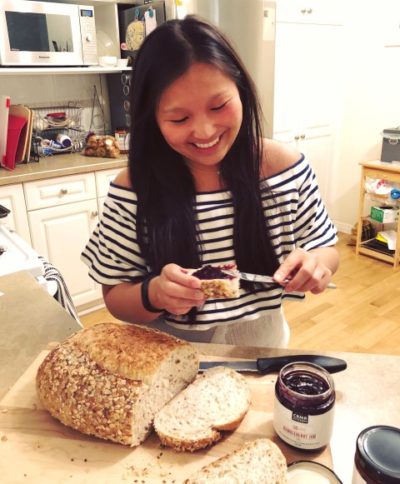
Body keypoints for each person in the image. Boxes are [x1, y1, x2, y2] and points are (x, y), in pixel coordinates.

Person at [81, 16, 339, 348]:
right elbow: (115, 296)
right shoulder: (134, 189)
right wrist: (154, 293)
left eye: (219, 106)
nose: (204, 132)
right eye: (179, 118)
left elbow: (325, 247)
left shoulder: (284, 168)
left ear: (241, 91)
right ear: (152, 119)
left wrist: (316, 264)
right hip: (169, 351)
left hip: (265, 344)